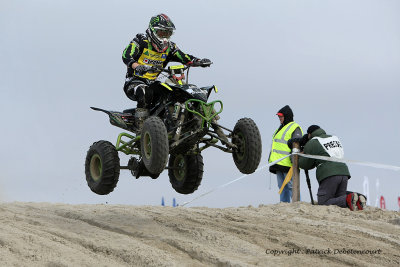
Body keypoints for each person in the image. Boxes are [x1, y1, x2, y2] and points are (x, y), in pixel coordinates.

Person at [122, 13, 211, 115]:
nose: (164, 38)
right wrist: (137, 66)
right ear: (153, 30)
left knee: (173, 93)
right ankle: (141, 122)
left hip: (153, 83)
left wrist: (199, 61)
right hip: (134, 82)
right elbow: (126, 55)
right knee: (145, 91)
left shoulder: (170, 47)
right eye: (161, 33)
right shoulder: (141, 41)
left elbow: (184, 57)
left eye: (167, 34)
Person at [295, 125, 367, 210]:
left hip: (329, 174)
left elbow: (305, 164)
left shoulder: (313, 142)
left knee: (323, 202)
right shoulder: (334, 137)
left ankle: (349, 197)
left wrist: (298, 156)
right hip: (344, 172)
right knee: (338, 199)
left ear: (309, 134)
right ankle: (358, 198)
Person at [268, 105, 303, 203]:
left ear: (287, 116)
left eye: (281, 117)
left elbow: (297, 144)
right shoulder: (280, 128)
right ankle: (284, 206)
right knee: (282, 187)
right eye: (279, 117)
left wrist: (294, 161)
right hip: (278, 163)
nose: (279, 119)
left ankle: (298, 205)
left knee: (292, 186)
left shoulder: (294, 127)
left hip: (289, 164)